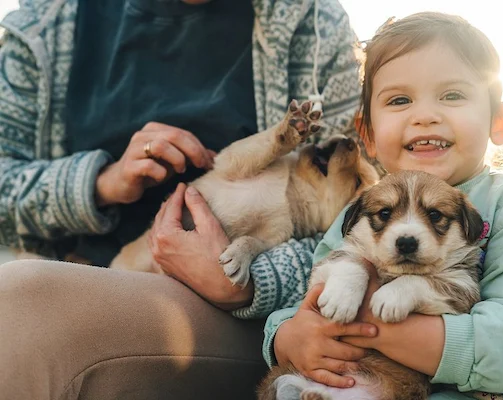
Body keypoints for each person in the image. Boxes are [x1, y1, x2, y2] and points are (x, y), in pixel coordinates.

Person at [0, 0, 366, 398]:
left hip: (235, 319)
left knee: (25, 305)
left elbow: (365, 215)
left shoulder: (313, 24)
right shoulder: (42, 24)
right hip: (90, 271)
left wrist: (251, 283)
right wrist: (101, 182)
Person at [264, 12, 503, 400]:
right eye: (400, 100)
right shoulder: (362, 210)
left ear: (499, 121)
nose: (425, 116)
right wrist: (286, 337)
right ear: (368, 134)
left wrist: (380, 321)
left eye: (452, 95)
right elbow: (308, 299)